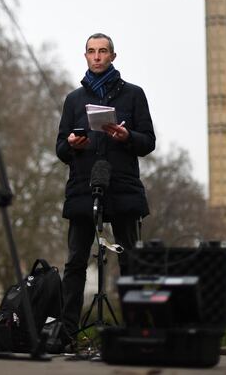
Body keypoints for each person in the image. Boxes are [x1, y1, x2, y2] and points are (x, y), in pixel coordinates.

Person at [55, 33, 156, 343]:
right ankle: (68, 331)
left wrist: (128, 138)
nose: (97, 56)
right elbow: (60, 148)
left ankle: (135, 330)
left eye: (102, 51)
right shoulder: (74, 99)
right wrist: (73, 144)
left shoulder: (134, 95)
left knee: (130, 261)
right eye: (91, 51)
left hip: (123, 187)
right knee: (75, 262)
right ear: (85, 56)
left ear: (113, 56)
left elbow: (148, 142)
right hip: (84, 188)